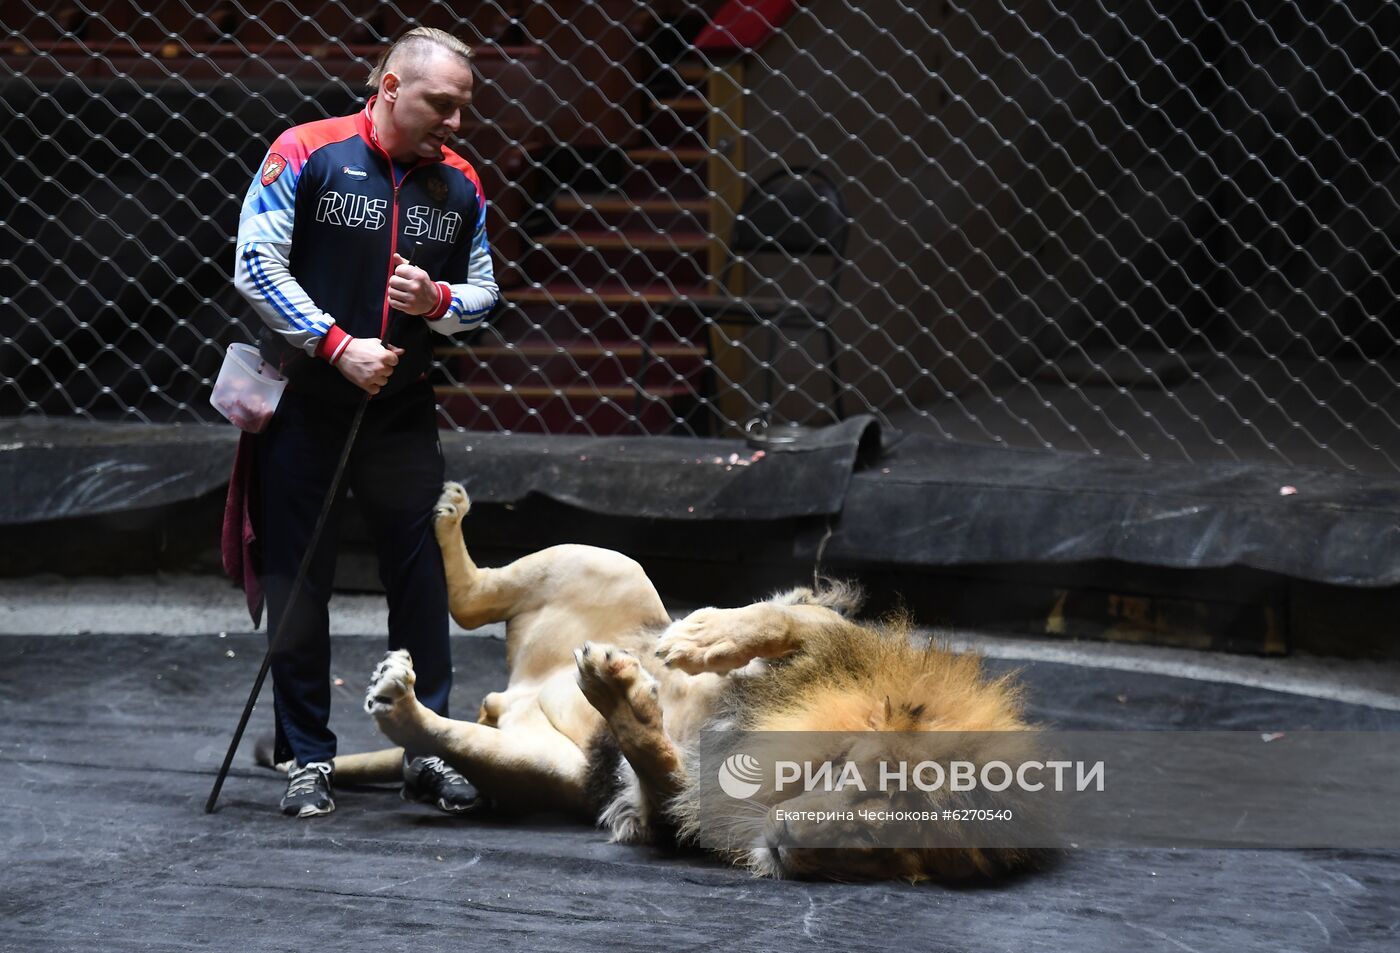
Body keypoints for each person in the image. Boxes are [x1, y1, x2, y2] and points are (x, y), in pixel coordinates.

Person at [231, 27, 499, 818]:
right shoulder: (307, 150)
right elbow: (255, 261)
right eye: (440, 104)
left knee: (420, 579)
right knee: (299, 580)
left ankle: (426, 749)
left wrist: (438, 302)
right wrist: (335, 343)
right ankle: (308, 755)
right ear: (388, 87)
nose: (455, 122)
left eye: (463, 107)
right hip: (309, 404)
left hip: (403, 413)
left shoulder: (459, 184)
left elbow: (484, 288)